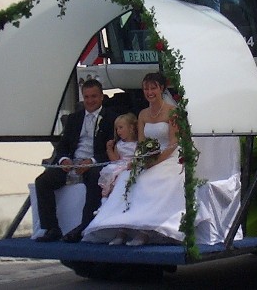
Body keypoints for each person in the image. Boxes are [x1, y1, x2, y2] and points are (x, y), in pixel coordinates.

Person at [82, 72, 185, 246]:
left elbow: (173, 143)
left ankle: (144, 231)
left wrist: (155, 161)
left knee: (152, 180)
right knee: (125, 177)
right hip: (147, 158)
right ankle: (122, 229)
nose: (149, 92)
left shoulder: (172, 112)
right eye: (146, 88)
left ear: (161, 89)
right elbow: (142, 144)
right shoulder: (143, 114)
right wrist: (140, 161)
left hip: (168, 158)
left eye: (153, 88)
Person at [34, 78, 117, 243]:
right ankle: (52, 228)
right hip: (73, 163)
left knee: (95, 179)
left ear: (101, 97)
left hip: (95, 163)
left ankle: (84, 227)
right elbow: (63, 145)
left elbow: (115, 148)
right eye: (86, 97)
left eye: (93, 96)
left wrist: (91, 161)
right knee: (42, 181)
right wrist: (64, 160)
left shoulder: (111, 118)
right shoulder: (74, 118)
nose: (90, 100)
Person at [98, 113, 138, 201]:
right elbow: (115, 159)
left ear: (131, 128)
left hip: (131, 166)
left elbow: (138, 156)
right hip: (120, 166)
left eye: (121, 128)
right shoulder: (119, 145)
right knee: (114, 178)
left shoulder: (137, 144)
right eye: (116, 129)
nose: (118, 131)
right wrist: (109, 149)